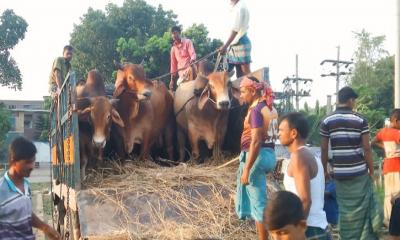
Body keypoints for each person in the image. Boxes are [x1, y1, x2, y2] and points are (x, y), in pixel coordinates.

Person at [320, 86, 382, 239]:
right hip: (359, 173)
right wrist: (371, 171)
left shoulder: (327, 121)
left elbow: (323, 149)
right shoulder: (360, 120)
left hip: (340, 174)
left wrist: (324, 171)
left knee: (345, 210)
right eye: (354, 101)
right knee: (361, 210)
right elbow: (367, 148)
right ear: (350, 100)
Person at [236, 76, 277, 240]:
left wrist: (246, 169)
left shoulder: (255, 110)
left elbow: (256, 141)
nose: (241, 95)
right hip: (270, 154)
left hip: (256, 157)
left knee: (259, 204)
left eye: (243, 91)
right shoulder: (269, 107)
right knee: (260, 200)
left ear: (253, 91)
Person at [278, 112, 330, 239]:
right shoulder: (310, 155)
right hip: (316, 227)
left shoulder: (299, 157)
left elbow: (305, 200)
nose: (278, 133)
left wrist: (297, 232)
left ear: (294, 133)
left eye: (281, 130)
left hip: (309, 230)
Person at [0, 137, 60, 240]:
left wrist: (45, 227)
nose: (32, 166)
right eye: (27, 162)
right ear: (14, 160)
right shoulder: (1, 190)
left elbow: (25, 213)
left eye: (33, 161)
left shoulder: (26, 185)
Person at [372, 109, 400, 226]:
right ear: (396, 120)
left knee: (388, 194)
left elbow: (372, 142)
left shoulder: (383, 132)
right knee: (397, 195)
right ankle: (396, 222)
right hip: (397, 167)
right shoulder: (397, 133)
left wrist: (385, 148)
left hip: (387, 167)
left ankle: (388, 221)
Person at [219, 0, 251, 78]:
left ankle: (255, 88)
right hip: (233, 45)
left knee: (245, 75)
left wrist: (225, 46)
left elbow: (235, 30)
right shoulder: (235, 6)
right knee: (238, 76)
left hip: (240, 44)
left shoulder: (240, 7)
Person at [169, 26, 197, 90]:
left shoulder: (188, 42)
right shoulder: (173, 49)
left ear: (179, 33)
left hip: (191, 71)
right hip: (182, 76)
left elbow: (193, 54)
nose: (174, 35)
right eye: (172, 34)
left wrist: (192, 61)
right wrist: (172, 80)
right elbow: (173, 66)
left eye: (175, 33)